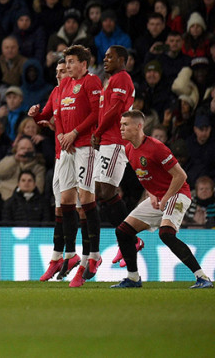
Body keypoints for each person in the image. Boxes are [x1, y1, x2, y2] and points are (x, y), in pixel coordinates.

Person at [110, 110, 213, 289]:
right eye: (121, 125)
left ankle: (202, 277)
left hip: (178, 193)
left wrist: (165, 198)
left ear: (139, 126)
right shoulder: (129, 149)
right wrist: (152, 195)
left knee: (166, 234)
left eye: (125, 124)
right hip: (159, 196)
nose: (121, 128)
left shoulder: (156, 147)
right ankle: (133, 278)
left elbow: (181, 176)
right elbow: (145, 176)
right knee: (123, 232)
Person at [54, 45, 103, 287]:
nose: (68, 66)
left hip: (85, 147)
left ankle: (92, 255)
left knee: (85, 199)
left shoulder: (91, 81)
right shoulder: (65, 84)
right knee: (65, 200)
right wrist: (63, 135)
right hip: (68, 147)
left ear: (84, 64)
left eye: (72, 61)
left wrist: (74, 133)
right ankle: (71, 253)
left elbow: (96, 113)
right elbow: (58, 114)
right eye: (67, 62)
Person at [30, 57, 81, 281]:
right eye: (57, 71)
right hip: (60, 156)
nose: (59, 75)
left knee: (76, 207)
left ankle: (81, 254)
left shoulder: (77, 92)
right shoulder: (56, 92)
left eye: (63, 71)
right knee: (60, 209)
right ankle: (58, 257)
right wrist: (36, 115)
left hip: (76, 154)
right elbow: (46, 115)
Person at [93, 45, 140, 267]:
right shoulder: (111, 81)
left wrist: (99, 131)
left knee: (107, 191)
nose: (105, 60)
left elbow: (115, 111)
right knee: (100, 191)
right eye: (104, 57)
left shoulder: (122, 78)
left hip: (114, 141)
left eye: (110, 57)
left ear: (122, 60)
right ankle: (129, 238)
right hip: (106, 141)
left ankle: (131, 238)